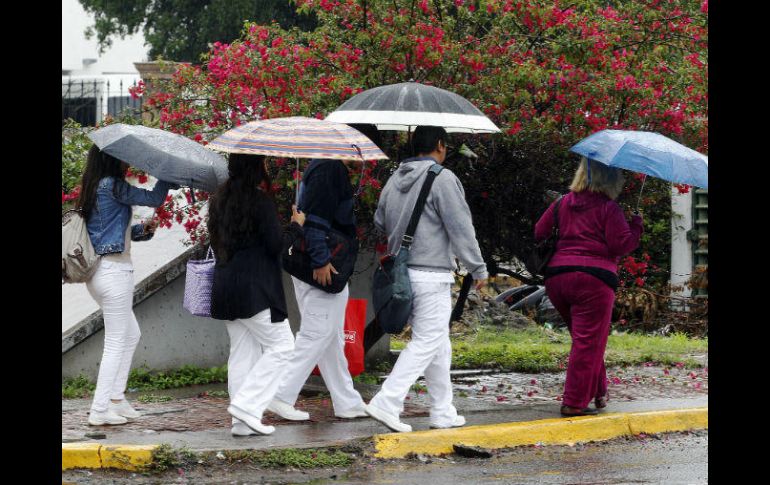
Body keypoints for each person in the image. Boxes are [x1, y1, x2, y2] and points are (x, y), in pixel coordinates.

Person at [365, 125, 488, 432]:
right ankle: (387, 401)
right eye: (445, 145)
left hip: (403, 273)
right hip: (432, 274)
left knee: (438, 343)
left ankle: (442, 410)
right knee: (428, 341)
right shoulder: (442, 178)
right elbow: (461, 227)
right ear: (439, 145)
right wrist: (478, 268)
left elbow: (380, 222)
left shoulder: (394, 179)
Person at [534, 157, 643, 417]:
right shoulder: (609, 208)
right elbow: (621, 245)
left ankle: (599, 391)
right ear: (611, 179)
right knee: (588, 342)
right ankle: (573, 402)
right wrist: (636, 227)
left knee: (587, 340)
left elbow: (540, 231)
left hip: (558, 279)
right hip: (593, 281)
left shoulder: (562, 203)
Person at [207, 153, 306, 436]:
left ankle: (241, 422)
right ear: (256, 167)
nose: (267, 167)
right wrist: (296, 227)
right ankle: (248, 406)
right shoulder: (259, 202)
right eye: (263, 162)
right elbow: (278, 246)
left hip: (226, 285)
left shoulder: (218, 201)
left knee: (243, 352)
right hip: (255, 289)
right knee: (283, 347)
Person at [76, 145, 175, 426]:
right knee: (117, 341)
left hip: (99, 273)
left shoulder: (95, 186)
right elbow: (155, 197)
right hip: (114, 272)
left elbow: (108, 232)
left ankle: (116, 399)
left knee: (130, 334)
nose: (126, 161)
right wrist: (166, 174)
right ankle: (99, 410)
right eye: (122, 157)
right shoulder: (113, 186)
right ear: (110, 159)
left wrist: (142, 231)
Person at [268, 156, 368, 422]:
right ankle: (280, 394)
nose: (366, 161)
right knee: (317, 333)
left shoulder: (324, 166)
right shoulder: (329, 169)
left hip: (316, 264)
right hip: (321, 266)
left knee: (330, 337)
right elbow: (316, 222)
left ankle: (347, 401)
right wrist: (321, 259)